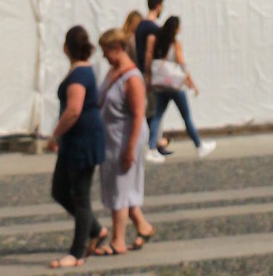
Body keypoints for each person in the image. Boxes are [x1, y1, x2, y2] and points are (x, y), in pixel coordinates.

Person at [47, 25, 105, 266]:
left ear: (66, 48)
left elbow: (73, 110)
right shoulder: (80, 71)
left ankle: (77, 252)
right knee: (59, 190)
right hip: (75, 140)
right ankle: (96, 229)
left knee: (81, 198)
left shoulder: (80, 75)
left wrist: (55, 135)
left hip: (83, 140)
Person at [93, 28, 153, 256]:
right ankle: (143, 227)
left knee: (120, 187)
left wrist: (130, 149)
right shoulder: (113, 72)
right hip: (111, 138)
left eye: (106, 51)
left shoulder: (132, 77)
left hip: (126, 139)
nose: (104, 56)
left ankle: (118, 241)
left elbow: (139, 114)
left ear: (118, 49)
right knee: (120, 186)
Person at [145, 17, 213, 160]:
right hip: (175, 86)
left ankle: (151, 148)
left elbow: (150, 60)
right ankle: (199, 145)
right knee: (186, 116)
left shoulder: (157, 43)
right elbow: (182, 64)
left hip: (161, 85)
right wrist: (190, 82)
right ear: (175, 29)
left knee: (157, 116)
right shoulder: (175, 44)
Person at [131, 0, 164, 91]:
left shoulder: (140, 26)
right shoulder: (152, 28)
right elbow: (149, 52)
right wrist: (149, 75)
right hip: (149, 73)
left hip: (140, 69)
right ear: (158, 6)